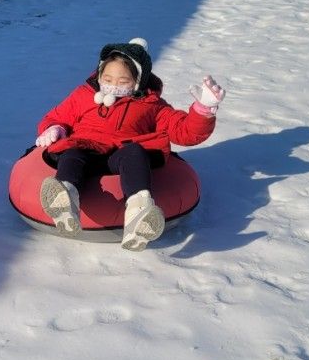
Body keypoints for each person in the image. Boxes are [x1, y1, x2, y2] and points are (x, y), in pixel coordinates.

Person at [34, 38, 225, 251]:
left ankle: (139, 211)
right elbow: (58, 116)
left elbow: (184, 131)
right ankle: (65, 198)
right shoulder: (83, 95)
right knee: (72, 153)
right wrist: (54, 128)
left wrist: (203, 110)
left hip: (122, 155)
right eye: (107, 78)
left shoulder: (151, 105)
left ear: (137, 82)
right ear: (99, 75)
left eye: (122, 81)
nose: (113, 85)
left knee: (135, 153)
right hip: (86, 148)